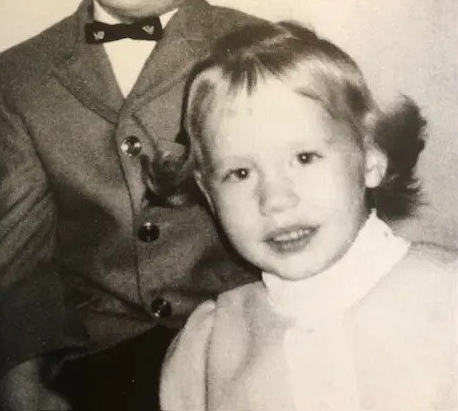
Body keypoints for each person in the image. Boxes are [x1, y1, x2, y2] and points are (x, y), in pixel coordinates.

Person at [0, 0, 263, 410]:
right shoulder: (17, 76)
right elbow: (15, 252)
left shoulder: (257, 53)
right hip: (94, 356)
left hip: (238, 343)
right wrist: (16, 376)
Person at [160, 21, 457, 410]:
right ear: (208, 193)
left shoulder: (445, 298)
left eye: (304, 158)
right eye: (240, 173)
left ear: (371, 159)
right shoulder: (208, 349)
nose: (275, 200)